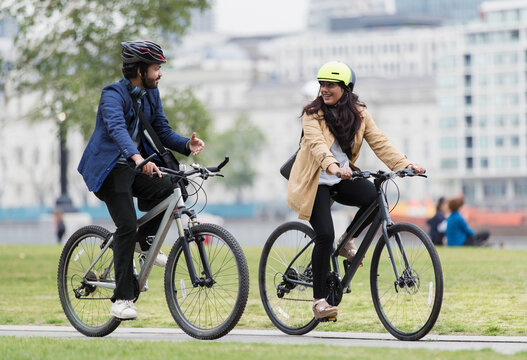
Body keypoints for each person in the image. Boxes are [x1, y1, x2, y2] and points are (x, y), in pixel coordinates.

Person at [286, 61, 425, 320]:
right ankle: (319, 302)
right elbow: (317, 146)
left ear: (346, 88)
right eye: (322, 85)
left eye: (331, 85)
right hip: (316, 181)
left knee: (375, 198)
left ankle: (347, 239)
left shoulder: (359, 113)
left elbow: (379, 141)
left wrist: (405, 164)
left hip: (340, 177)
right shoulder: (312, 114)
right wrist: (334, 166)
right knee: (324, 236)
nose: (324, 89)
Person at [77, 40, 205, 320]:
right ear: (139, 69)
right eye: (156, 68)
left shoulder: (150, 94)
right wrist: (137, 158)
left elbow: (162, 130)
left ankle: (145, 247)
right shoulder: (112, 94)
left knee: (172, 186)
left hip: (135, 165)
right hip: (109, 169)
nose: (160, 74)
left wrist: (187, 145)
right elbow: (117, 129)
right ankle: (122, 298)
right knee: (125, 225)